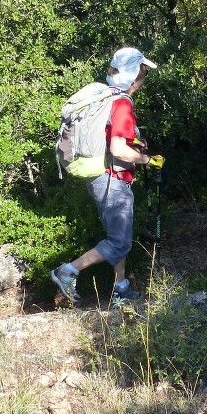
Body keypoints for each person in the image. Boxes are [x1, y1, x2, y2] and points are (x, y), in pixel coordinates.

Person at [50, 47, 164, 307]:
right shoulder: (121, 103)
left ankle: (121, 287)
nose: (143, 78)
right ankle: (68, 271)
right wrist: (148, 160)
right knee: (119, 241)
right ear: (134, 75)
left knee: (117, 235)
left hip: (100, 177)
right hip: (113, 181)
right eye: (142, 72)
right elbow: (118, 149)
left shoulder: (106, 97)